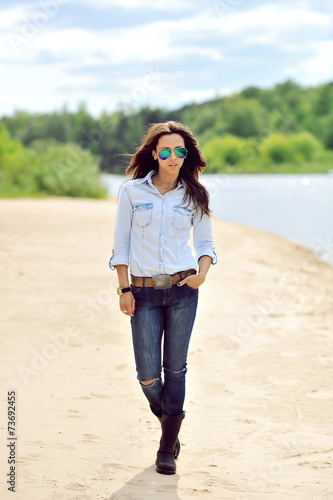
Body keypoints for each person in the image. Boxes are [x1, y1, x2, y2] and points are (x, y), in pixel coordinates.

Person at [109, 121, 217, 475]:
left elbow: (204, 244)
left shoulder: (195, 195)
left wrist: (201, 274)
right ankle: (171, 423)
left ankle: (165, 448)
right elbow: (121, 245)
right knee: (147, 374)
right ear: (154, 154)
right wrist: (124, 289)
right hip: (142, 292)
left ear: (187, 156)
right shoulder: (131, 192)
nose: (173, 157)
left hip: (184, 290)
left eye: (180, 151)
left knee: (176, 369)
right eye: (166, 151)